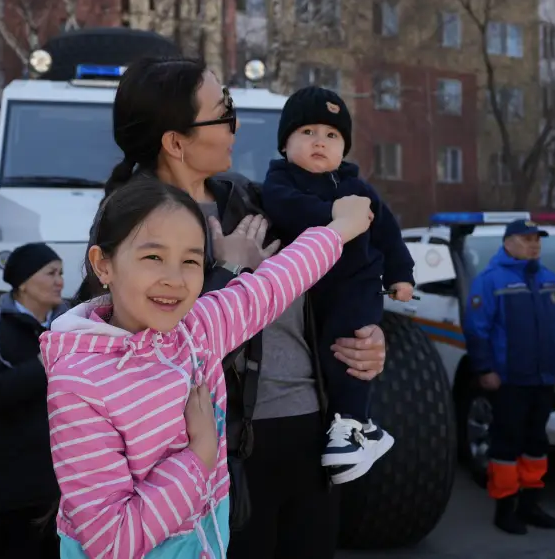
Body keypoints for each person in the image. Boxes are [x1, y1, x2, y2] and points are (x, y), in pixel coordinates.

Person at [82, 56, 388, 559]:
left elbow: (327, 279)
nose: (236, 125)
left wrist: (368, 337)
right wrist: (227, 270)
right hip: (215, 446)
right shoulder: (130, 221)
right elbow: (135, 350)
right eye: (223, 111)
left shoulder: (254, 198)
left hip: (310, 425)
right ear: (176, 142)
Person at [41, 179, 373, 558]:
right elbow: (112, 540)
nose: (175, 279)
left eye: (191, 261)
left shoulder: (195, 332)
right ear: (104, 265)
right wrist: (199, 456)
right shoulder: (80, 382)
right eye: (153, 257)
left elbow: (275, 282)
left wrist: (339, 229)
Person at [260, 86, 415, 483]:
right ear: (284, 144)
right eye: (307, 132)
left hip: (357, 285)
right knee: (325, 354)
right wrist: (336, 214)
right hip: (307, 289)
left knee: (350, 346)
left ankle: (349, 425)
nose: (320, 142)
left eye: (331, 135)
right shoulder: (279, 184)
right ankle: (362, 429)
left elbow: (388, 235)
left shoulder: (359, 189)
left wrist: (401, 275)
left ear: (343, 148)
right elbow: (288, 211)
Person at [461, 219, 555, 535]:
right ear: (508, 243)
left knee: (537, 443)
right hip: (509, 379)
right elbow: (477, 329)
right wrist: (485, 369)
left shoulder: (548, 279)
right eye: (526, 239)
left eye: (537, 240)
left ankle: (530, 505)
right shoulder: (490, 280)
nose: (534, 245)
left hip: (543, 378)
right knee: (506, 444)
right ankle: (505, 508)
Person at [0, 242, 68, 559]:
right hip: (18, 487)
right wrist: (39, 368)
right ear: (23, 282)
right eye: (51, 273)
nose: (60, 281)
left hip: (70, 483)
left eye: (61, 273)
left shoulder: (71, 327)